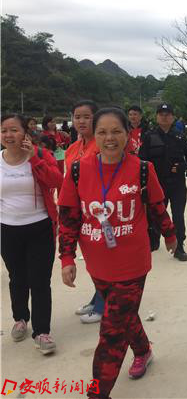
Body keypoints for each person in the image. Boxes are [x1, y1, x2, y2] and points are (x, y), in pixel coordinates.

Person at [58, 107, 177, 399]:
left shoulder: (142, 169)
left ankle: (98, 393)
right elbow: (69, 217)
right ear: (93, 134)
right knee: (123, 315)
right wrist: (67, 258)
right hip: (97, 262)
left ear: (128, 134)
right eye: (102, 132)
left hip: (132, 262)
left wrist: (170, 235)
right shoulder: (78, 170)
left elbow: (157, 207)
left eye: (116, 131)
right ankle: (143, 350)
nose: (109, 138)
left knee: (111, 333)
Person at [1, 114, 63, 355]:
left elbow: (56, 180)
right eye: (4, 131)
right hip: (7, 229)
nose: (8, 135)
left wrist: (33, 159)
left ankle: (42, 331)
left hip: (39, 227)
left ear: (25, 133)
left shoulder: (40, 154)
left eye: (14, 130)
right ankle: (20, 318)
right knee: (17, 277)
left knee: (39, 280)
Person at [139, 103, 187, 261]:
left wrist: (183, 166)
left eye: (167, 114)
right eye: (161, 114)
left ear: (172, 117)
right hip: (157, 184)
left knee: (178, 216)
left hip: (177, 184)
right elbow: (141, 160)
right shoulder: (149, 136)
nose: (164, 117)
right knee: (155, 214)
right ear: (157, 117)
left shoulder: (180, 136)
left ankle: (179, 247)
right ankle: (154, 240)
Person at [65, 100, 105, 324]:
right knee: (90, 258)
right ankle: (97, 297)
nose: (81, 121)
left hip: (99, 210)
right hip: (78, 211)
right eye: (77, 116)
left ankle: (102, 304)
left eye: (86, 117)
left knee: (102, 259)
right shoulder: (73, 148)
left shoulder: (102, 145)